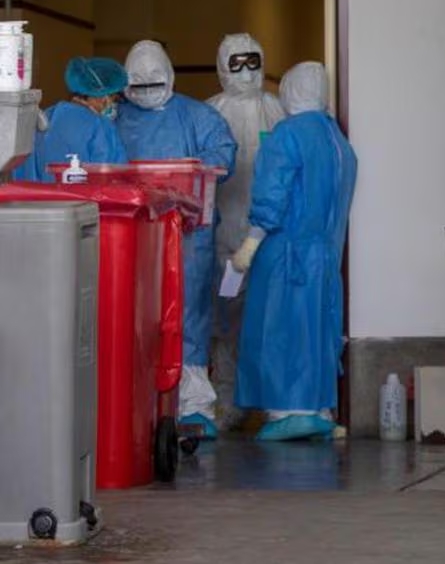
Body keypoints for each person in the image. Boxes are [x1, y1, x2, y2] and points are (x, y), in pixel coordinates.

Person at [231, 62, 357, 442]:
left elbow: (273, 193)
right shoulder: (338, 141)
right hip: (326, 255)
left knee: (282, 331)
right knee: (319, 330)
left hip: (287, 252)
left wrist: (251, 243)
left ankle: (290, 412)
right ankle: (319, 408)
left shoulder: (288, 136)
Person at [117, 40, 238, 439]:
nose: (149, 92)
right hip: (132, 237)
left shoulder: (197, 116)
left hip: (190, 239)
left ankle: (193, 405)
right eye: (140, 86)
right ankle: (137, 403)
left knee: (187, 315)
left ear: (170, 75)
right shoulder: (114, 118)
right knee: (135, 317)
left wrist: (198, 169)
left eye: (156, 84)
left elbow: (223, 155)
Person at [206, 34, 286, 431]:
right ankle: (227, 397)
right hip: (224, 241)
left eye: (252, 61)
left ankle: (273, 400)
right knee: (226, 321)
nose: (245, 71)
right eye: (235, 63)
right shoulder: (210, 113)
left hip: (270, 238)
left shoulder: (279, 110)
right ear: (222, 66)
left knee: (270, 318)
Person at [14, 57, 129, 182]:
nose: (114, 105)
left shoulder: (44, 117)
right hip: (86, 201)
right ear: (101, 96)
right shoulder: (101, 127)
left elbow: (23, 171)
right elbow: (114, 179)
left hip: (39, 200)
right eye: (114, 99)